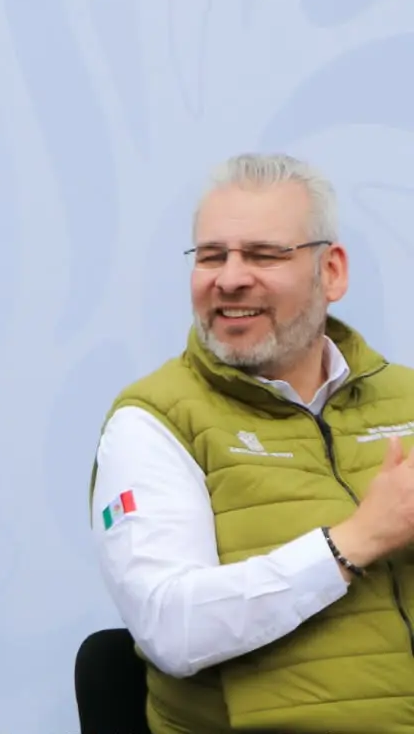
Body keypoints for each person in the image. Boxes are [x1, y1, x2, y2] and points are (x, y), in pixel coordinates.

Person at [92, 153, 414, 733]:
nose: (231, 278)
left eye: (264, 254)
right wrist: (358, 540)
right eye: (212, 256)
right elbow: (170, 627)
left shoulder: (407, 399)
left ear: (331, 272)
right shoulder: (152, 421)